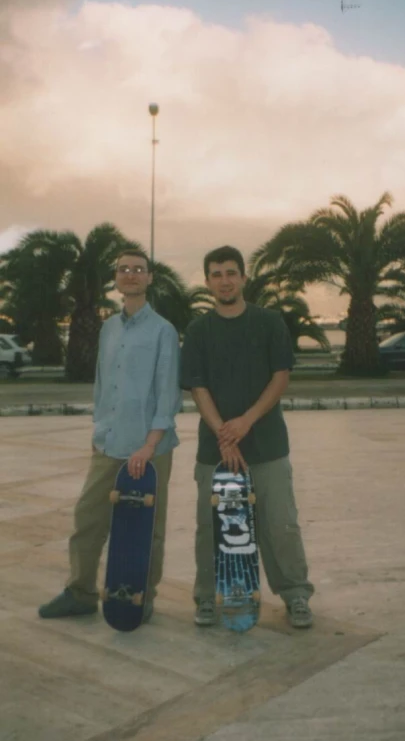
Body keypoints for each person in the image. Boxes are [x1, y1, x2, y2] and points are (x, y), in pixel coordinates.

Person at [39, 249, 182, 622]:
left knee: (147, 529)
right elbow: (103, 384)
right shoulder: (108, 328)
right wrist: (98, 430)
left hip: (150, 448)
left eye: (138, 269)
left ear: (150, 278)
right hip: (110, 443)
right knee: (88, 519)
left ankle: (140, 597)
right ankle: (80, 592)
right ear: (115, 278)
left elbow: (167, 394)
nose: (131, 275)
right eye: (123, 270)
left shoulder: (163, 330)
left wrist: (149, 446)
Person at [180, 245, 314, 629]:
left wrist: (246, 423)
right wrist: (225, 435)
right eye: (216, 274)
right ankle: (208, 598)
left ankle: (296, 595)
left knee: (281, 525)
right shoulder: (198, 330)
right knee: (211, 527)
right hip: (215, 451)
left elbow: (280, 376)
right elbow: (197, 385)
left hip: (268, 446)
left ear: (243, 277)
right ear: (207, 281)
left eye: (231, 272)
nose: (224, 280)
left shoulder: (270, 322)